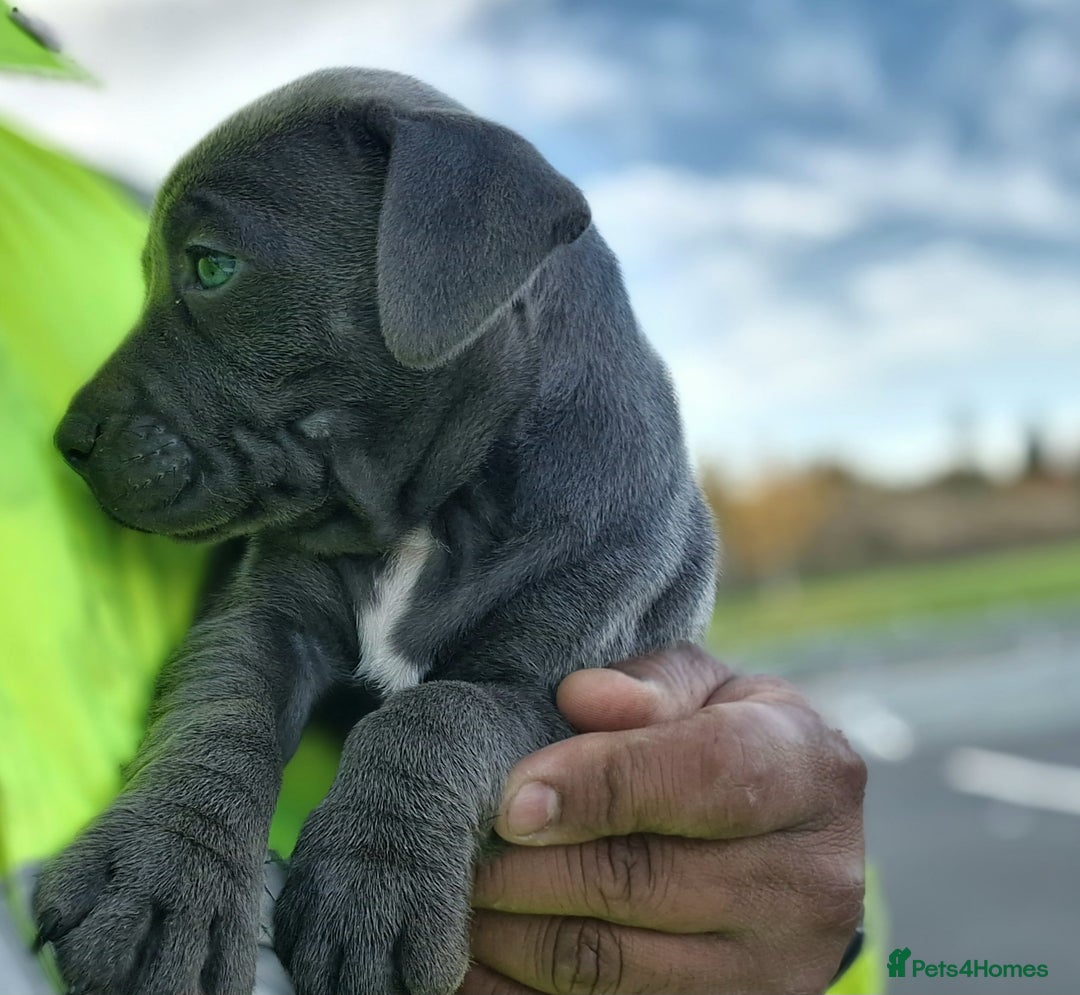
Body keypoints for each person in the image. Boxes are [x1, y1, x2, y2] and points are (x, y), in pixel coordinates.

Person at [0, 8, 880, 992]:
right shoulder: (331, 460)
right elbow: (268, 629)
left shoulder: (612, 518)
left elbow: (699, 817)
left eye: (211, 271)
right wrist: (194, 811)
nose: (88, 418)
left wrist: (811, 932)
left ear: (461, 259)